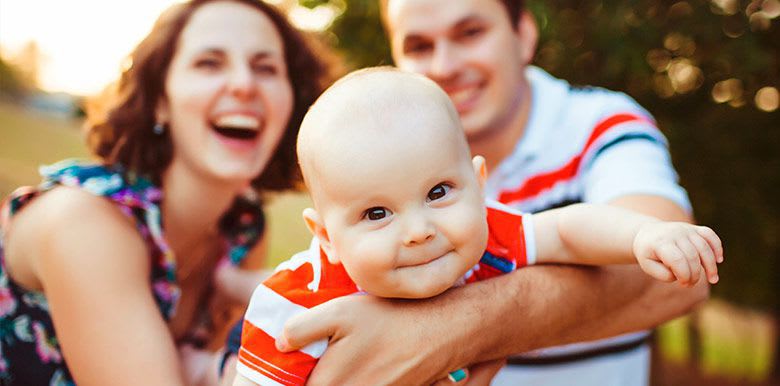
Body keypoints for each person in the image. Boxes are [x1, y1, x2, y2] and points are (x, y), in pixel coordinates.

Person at [272, 1, 709, 385]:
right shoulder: (373, 166)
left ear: (523, 35)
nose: (444, 65)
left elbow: (672, 275)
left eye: (470, 33)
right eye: (419, 46)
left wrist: (444, 332)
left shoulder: (599, 124)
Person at [0, 0, 330, 384]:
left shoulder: (242, 230)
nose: (244, 84)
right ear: (160, 100)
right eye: (209, 62)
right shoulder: (83, 221)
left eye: (266, 67)